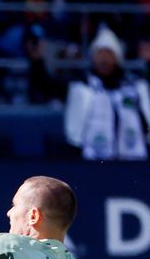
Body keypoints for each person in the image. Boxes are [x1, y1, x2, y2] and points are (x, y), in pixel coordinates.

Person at [30, 26, 150, 159]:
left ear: (117, 57)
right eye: (100, 53)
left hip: (135, 163)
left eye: (109, 53)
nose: (104, 58)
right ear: (93, 57)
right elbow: (46, 87)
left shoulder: (135, 87)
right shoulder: (82, 87)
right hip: (93, 164)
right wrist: (37, 62)